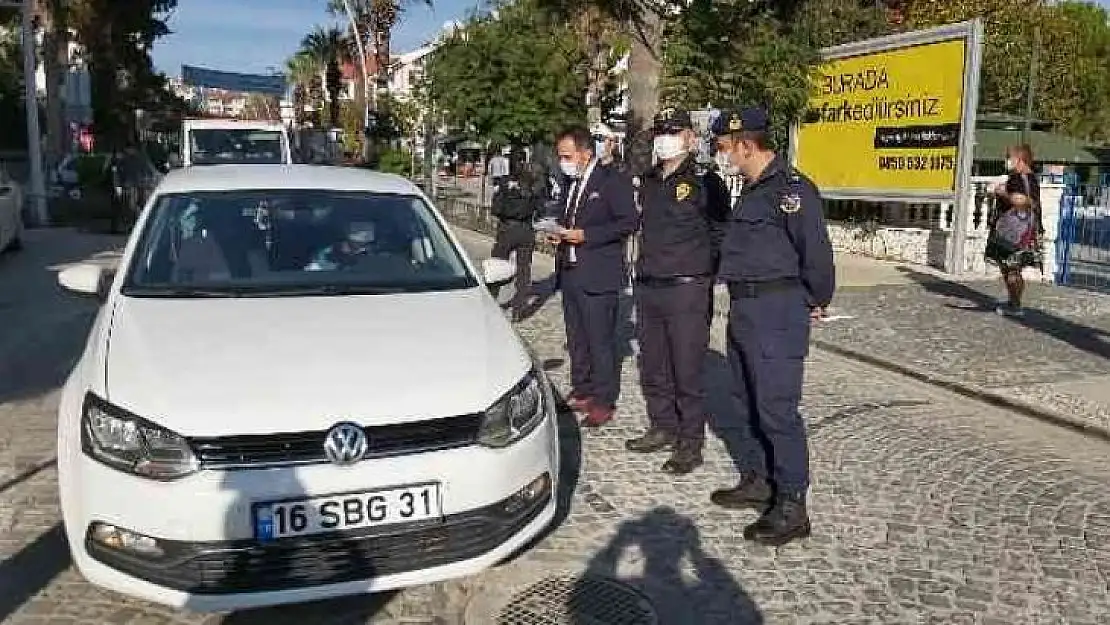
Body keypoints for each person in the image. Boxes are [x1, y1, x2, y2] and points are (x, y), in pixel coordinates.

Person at [707, 107, 835, 547]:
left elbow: (816, 255)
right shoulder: (752, 190)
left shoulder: (793, 192)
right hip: (744, 310)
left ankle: (793, 505)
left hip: (777, 313)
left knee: (777, 410)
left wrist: (817, 299)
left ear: (746, 144)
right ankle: (761, 480)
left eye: (724, 147)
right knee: (746, 401)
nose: (723, 155)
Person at [624, 107, 731, 475]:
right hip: (650, 284)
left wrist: (705, 276)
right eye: (660, 132)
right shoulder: (650, 179)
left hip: (687, 288)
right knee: (653, 365)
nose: (664, 138)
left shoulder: (705, 182)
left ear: (689, 137)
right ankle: (662, 426)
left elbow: (721, 233)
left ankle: (690, 441)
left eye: (672, 131)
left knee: (686, 370)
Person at [550, 126, 639, 427]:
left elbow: (628, 222)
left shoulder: (612, 180)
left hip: (599, 273)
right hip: (571, 271)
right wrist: (559, 234)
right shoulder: (570, 181)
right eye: (560, 156)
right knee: (577, 338)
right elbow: (569, 217)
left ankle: (603, 400)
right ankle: (583, 388)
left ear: (586, 153)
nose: (563, 161)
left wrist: (586, 235)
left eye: (567, 155)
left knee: (600, 341)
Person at [985, 144, 1043, 316]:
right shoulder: (1030, 178)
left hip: (1014, 233)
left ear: (1019, 159)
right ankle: (1013, 301)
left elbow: (1020, 200)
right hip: (1026, 231)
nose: (1007, 160)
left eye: (1009, 156)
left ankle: (1015, 306)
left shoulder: (1019, 178)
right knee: (1011, 267)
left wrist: (1001, 192)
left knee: (1012, 268)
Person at [490, 163, 539, 321]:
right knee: (524, 270)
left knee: (496, 267)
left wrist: (502, 194)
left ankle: (491, 301)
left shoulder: (505, 188)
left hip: (507, 230)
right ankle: (518, 309)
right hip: (526, 230)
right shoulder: (533, 190)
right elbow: (540, 209)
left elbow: (496, 210)